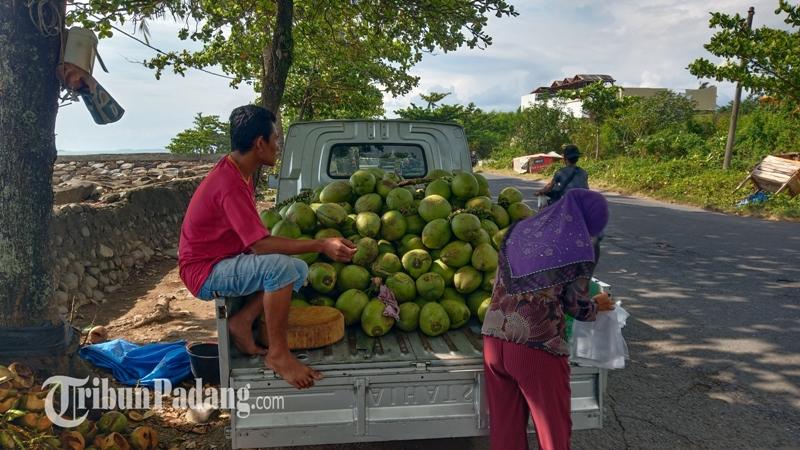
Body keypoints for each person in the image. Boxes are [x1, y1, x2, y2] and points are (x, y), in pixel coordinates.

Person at [178, 105, 356, 390]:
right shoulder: (229, 183)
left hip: (223, 260)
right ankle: (278, 355)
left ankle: (242, 321)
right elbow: (260, 245)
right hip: (205, 271)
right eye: (275, 139)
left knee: (296, 268)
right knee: (280, 267)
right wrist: (321, 244)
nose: (278, 145)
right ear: (259, 143)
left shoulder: (239, 172)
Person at [481, 189, 614, 450]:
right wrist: (597, 305)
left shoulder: (518, 230)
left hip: (494, 338)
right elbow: (576, 307)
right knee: (552, 432)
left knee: (505, 430)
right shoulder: (578, 248)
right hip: (536, 347)